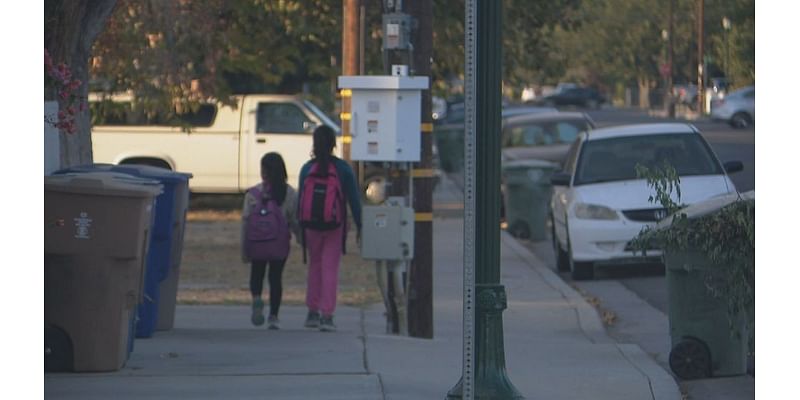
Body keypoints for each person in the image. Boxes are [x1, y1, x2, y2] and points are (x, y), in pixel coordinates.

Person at [298, 125, 362, 332]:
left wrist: (299, 227)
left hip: (311, 226)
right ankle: (327, 315)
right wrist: (361, 226)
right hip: (335, 225)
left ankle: (312, 312)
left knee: (314, 266)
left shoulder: (307, 169)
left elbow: (301, 202)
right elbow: (354, 201)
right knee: (330, 268)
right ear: (334, 144)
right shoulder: (343, 169)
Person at [241, 152, 300, 330]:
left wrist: (245, 249)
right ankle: (273, 316)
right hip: (278, 244)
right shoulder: (289, 193)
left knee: (257, 273)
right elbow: (294, 220)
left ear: (263, 171)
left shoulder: (253, 194)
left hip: (257, 243)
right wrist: (300, 237)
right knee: (276, 278)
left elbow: (245, 221)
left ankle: (257, 298)